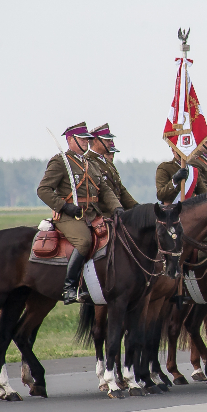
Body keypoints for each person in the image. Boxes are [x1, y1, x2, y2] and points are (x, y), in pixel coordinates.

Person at [37, 122, 123, 304]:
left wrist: (117, 208)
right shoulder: (60, 162)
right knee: (84, 241)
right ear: (70, 140)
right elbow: (43, 190)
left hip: (92, 214)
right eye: (82, 139)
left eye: (87, 139)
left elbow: (105, 190)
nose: (86, 142)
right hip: (69, 216)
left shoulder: (90, 164)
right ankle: (69, 288)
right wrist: (64, 207)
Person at [87, 123, 139, 209]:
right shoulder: (87, 161)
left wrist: (135, 206)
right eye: (107, 140)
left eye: (110, 140)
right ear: (95, 141)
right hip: (102, 211)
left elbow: (120, 188)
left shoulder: (107, 162)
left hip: (116, 209)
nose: (111, 143)